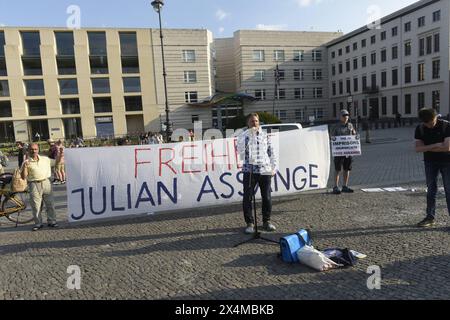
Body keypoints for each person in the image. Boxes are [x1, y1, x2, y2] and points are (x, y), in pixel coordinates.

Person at [237, 113, 278, 234]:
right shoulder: (243, 136)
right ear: (247, 124)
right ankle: (250, 223)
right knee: (247, 197)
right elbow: (239, 152)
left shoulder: (265, 136)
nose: (254, 123)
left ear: (258, 122)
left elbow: (272, 152)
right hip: (249, 170)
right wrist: (248, 140)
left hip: (265, 170)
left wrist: (273, 168)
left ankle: (267, 221)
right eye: (251, 121)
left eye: (256, 121)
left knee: (266, 196)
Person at [415, 108, 450, 228]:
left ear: (436, 117)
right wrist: (436, 145)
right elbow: (418, 149)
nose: (430, 125)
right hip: (430, 162)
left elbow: (447, 148)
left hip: (447, 161)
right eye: (427, 123)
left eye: (432, 122)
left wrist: (427, 147)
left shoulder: (446, 126)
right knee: (431, 190)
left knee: (449, 190)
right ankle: (430, 217)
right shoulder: (420, 128)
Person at [20, 143, 57, 231]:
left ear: (38, 150)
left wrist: (61, 154)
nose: (34, 151)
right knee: (36, 206)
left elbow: (57, 162)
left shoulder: (45, 159)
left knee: (50, 204)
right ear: (28, 151)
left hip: (46, 182)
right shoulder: (26, 162)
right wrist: (25, 167)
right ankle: (38, 223)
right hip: (34, 184)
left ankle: (52, 221)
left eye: (35, 149)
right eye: (32, 149)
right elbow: (23, 177)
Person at [331, 109, 357, 195]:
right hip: (339, 151)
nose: (346, 117)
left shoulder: (350, 125)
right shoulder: (336, 126)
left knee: (347, 169)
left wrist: (354, 133)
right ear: (340, 117)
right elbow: (332, 137)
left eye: (347, 115)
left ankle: (345, 186)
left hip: (348, 151)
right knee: (337, 169)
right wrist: (333, 139)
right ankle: (335, 187)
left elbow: (353, 136)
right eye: (344, 115)